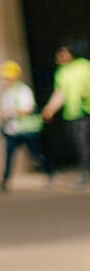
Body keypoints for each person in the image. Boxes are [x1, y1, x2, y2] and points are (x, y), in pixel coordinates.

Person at [0, 60, 54, 192]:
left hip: (27, 130)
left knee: (37, 155)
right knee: (8, 155)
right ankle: (4, 180)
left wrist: (12, 113)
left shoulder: (23, 90)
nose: (4, 80)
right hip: (13, 130)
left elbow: (28, 108)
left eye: (7, 77)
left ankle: (49, 172)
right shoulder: (7, 93)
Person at [41, 40, 90, 187]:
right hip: (73, 114)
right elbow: (60, 93)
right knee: (80, 145)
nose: (60, 56)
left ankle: (84, 174)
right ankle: (85, 173)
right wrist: (50, 109)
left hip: (86, 111)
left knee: (84, 145)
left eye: (63, 53)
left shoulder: (85, 67)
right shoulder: (62, 72)